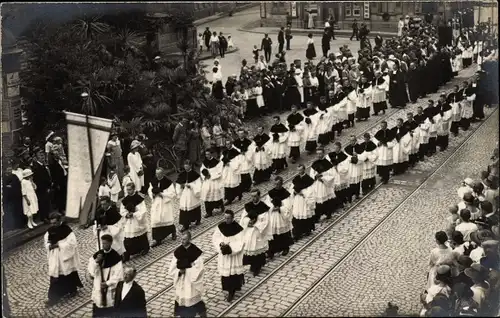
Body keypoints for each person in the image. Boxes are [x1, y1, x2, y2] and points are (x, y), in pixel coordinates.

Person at [44, 212, 83, 306]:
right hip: (55, 256)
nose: (53, 225)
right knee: (55, 276)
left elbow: (72, 243)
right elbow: (46, 242)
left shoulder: (67, 230)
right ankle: (53, 298)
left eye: (55, 223)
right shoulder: (49, 231)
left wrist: (59, 245)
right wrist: (49, 246)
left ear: (60, 221)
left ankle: (72, 290)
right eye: (52, 223)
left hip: (64, 255)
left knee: (68, 273)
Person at [169, 231, 206, 318]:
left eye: (184, 239)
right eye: (181, 239)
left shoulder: (195, 251)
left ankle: (199, 312)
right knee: (182, 296)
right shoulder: (178, 251)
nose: (182, 241)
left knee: (192, 297)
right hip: (181, 280)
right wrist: (178, 272)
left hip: (191, 280)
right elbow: (172, 267)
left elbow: (200, 268)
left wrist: (187, 271)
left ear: (190, 239)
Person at [212, 209, 245, 302]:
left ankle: (232, 290)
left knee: (233, 273)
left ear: (233, 218)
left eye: (228, 218)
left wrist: (231, 249)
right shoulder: (220, 227)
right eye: (225, 218)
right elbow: (216, 237)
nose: (226, 220)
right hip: (224, 256)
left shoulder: (238, 228)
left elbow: (241, 242)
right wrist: (221, 244)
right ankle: (227, 288)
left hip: (233, 256)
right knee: (226, 274)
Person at [88, 234, 124, 317]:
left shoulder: (115, 257)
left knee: (109, 305)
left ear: (110, 243)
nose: (104, 245)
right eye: (103, 243)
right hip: (98, 284)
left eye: (106, 243)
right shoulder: (98, 255)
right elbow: (91, 271)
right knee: (98, 304)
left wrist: (107, 283)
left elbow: (118, 275)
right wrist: (96, 261)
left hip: (109, 287)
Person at [240, 189, 271, 276]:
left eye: (255, 196)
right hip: (249, 230)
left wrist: (255, 224)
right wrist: (248, 222)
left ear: (259, 196)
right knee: (249, 248)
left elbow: (265, 220)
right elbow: (243, 217)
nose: (253, 198)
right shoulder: (248, 206)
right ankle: (252, 264)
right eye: (252, 196)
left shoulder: (263, 207)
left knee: (257, 249)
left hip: (258, 231)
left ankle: (257, 266)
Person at [265, 176, 293, 258]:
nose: (276, 186)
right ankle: (271, 251)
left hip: (281, 215)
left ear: (281, 184)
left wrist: (280, 208)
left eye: (278, 184)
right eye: (275, 184)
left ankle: (285, 248)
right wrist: (272, 208)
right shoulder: (271, 193)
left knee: (283, 233)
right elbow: (267, 203)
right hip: (273, 215)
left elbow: (288, 205)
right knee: (273, 233)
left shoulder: (285, 193)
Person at [120, 183, 149, 260]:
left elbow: (143, 211)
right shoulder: (125, 200)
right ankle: (128, 254)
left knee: (141, 236)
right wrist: (126, 214)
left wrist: (134, 214)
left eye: (130, 189)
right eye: (127, 190)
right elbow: (122, 211)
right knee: (128, 239)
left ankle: (145, 248)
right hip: (129, 222)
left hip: (137, 221)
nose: (128, 191)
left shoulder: (139, 198)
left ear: (133, 189)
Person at [149, 167, 177, 247]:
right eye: (156, 173)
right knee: (155, 220)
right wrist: (153, 195)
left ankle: (172, 231)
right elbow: (150, 190)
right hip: (156, 203)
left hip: (165, 203)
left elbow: (172, 193)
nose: (157, 175)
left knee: (166, 218)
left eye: (159, 174)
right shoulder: (153, 181)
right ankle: (156, 239)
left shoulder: (167, 182)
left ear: (163, 174)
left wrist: (162, 194)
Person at [310, 147, 336, 222]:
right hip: (318, 184)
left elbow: (332, 173)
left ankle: (328, 213)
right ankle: (318, 215)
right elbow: (311, 174)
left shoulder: (327, 162)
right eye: (317, 154)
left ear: (323, 153)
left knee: (327, 199)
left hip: (325, 183)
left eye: (320, 153)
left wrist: (323, 177)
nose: (319, 155)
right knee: (318, 200)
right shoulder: (314, 163)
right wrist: (315, 176)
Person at [290, 164, 315, 240]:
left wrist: (303, 194)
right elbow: (292, 188)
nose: (299, 172)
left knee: (304, 214)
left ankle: (307, 230)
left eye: (300, 170)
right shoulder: (296, 178)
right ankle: (297, 233)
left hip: (304, 200)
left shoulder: (308, 179)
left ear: (304, 169)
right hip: (297, 199)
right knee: (297, 216)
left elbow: (311, 190)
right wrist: (294, 192)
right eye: (298, 170)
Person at [176, 160, 202, 230]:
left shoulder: (195, 174)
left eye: (187, 164)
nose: (186, 166)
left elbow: (198, 185)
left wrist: (191, 186)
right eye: (185, 164)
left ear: (190, 165)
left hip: (192, 194)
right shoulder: (182, 174)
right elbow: (178, 184)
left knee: (194, 206)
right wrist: (181, 187)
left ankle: (197, 219)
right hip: (184, 194)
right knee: (184, 208)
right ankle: (185, 225)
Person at [200, 149, 225, 218]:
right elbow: (202, 170)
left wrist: (211, 175)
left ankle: (221, 205)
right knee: (207, 195)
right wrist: (205, 175)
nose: (207, 156)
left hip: (214, 181)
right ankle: (209, 212)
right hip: (207, 181)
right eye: (206, 154)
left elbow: (219, 172)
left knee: (216, 193)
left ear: (211, 154)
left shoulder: (216, 162)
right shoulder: (204, 162)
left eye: (208, 154)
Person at [31, 149, 52, 223]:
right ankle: (44, 217)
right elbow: (39, 179)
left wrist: (49, 185)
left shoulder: (43, 165)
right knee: (42, 203)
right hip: (41, 189)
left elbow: (47, 176)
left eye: (43, 155)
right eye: (40, 155)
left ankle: (47, 215)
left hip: (46, 187)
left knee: (46, 202)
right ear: (37, 157)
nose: (42, 157)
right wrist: (45, 187)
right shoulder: (36, 167)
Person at [2, 165, 25, 231]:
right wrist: (9, 186)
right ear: (5, 170)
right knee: (12, 212)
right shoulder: (4, 177)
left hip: (17, 196)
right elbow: (5, 187)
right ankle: (13, 226)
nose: (10, 171)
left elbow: (17, 185)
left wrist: (11, 186)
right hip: (9, 198)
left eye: (10, 169)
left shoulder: (14, 176)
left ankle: (20, 224)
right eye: (8, 169)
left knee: (18, 210)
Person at [221, 140, 243, 205]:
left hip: (233, 170)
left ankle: (235, 195)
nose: (227, 145)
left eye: (229, 144)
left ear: (231, 144)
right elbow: (221, 160)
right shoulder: (224, 152)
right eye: (226, 144)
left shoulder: (235, 152)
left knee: (233, 183)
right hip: (226, 169)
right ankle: (229, 198)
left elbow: (238, 161)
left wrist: (230, 164)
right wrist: (224, 163)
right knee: (227, 184)